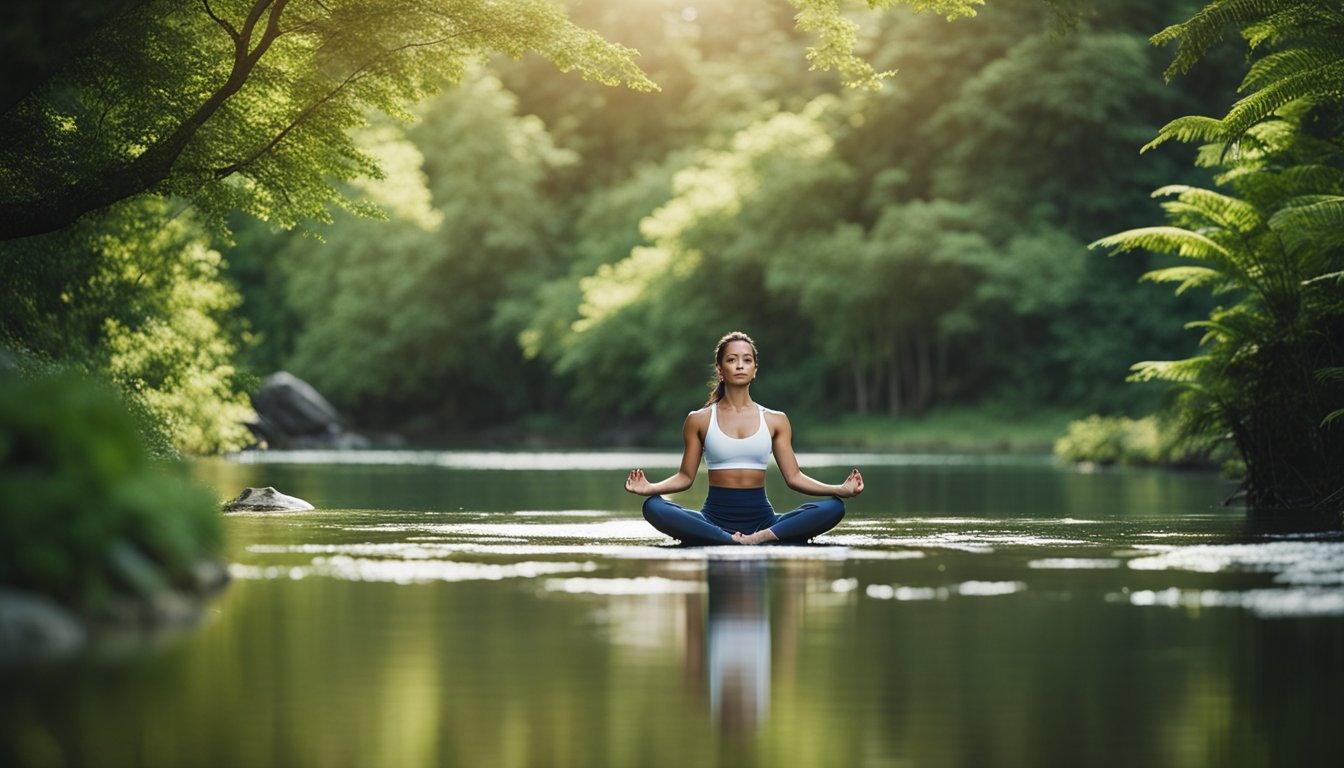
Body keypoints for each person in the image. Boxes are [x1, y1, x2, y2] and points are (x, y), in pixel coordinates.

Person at [625, 331, 864, 545]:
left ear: (755, 368)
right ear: (719, 368)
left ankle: (763, 537)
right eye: (732, 360)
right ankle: (725, 538)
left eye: (747, 360)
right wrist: (650, 488)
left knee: (833, 507)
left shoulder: (775, 420)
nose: (740, 365)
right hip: (712, 520)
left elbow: (794, 477)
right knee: (654, 506)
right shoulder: (699, 419)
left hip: (764, 520)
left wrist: (839, 489)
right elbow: (685, 477)